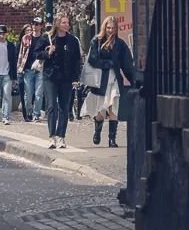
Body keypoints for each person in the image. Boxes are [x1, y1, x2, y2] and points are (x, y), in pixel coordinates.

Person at [83, 15, 134, 147]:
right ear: (104, 27)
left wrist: (134, 80)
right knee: (101, 111)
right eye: (108, 27)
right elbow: (92, 59)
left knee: (113, 107)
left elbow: (127, 64)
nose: (110, 30)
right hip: (101, 80)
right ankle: (97, 131)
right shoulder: (97, 41)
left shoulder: (120, 44)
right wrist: (107, 63)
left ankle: (112, 139)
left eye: (113, 28)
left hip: (115, 79)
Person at [42, 13, 82, 150]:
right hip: (50, 76)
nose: (67, 25)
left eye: (67, 23)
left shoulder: (72, 40)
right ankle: (52, 136)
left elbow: (77, 60)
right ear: (58, 24)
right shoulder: (47, 38)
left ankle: (61, 136)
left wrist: (76, 78)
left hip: (66, 78)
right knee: (52, 105)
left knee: (64, 108)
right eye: (64, 22)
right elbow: (36, 53)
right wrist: (48, 53)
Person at [17, 18, 48, 123]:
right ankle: (29, 112)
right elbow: (21, 53)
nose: (35, 26)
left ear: (41, 26)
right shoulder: (26, 38)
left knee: (39, 93)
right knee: (28, 94)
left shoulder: (45, 38)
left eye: (38, 24)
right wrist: (20, 68)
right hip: (28, 69)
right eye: (34, 24)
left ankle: (36, 114)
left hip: (40, 68)